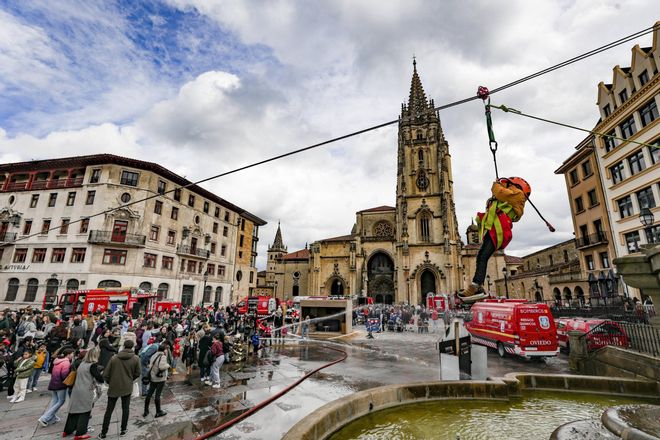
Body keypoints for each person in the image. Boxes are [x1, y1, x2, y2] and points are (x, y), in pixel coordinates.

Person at [460, 177, 531, 302]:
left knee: (482, 256)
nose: (506, 186)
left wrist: (497, 184)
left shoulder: (518, 195)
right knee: (482, 256)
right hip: (495, 230)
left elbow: (499, 192)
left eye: (509, 185)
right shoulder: (512, 198)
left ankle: (476, 286)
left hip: (499, 231)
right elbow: (496, 198)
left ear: (516, 185)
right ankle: (478, 286)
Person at [99, 339, 140, 438]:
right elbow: (137, 373)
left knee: (109, 410)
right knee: (125, 409)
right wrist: (130, 379)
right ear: (132, 347)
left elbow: (106, 374)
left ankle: (104, 432)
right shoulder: (135, 358)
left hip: (114, 386)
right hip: (127, 386)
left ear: (124, 346)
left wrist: (110, 382)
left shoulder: (114, 358)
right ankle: (123, 429)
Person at [62, 347, 104, 440]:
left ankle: (67, 430)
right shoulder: (92, 365)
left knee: (74, 411)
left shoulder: (82, 363)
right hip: (85, 390)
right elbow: (99, 378)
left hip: (76, 389)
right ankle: (80, 433)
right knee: (85, 412)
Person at [39, 348, 74, 426]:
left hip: (53, 383)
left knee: (54, 400)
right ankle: (44, 418)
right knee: (61, 401)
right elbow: (64, 375)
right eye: (72, 354)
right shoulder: (66, 362)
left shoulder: (57, 360)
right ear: (68, 355)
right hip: (60, 384)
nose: (72, 355)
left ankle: (52, 417)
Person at [143, 343, 170, 418]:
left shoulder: (154, 355)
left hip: (153, 377)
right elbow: (161, 367)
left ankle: (146, 410)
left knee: (149, 394)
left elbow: (150, 365)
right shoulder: (163, 356)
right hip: (160, 378)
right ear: (164, 350)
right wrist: (168, 365)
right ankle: (158, 412)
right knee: (157, 395)